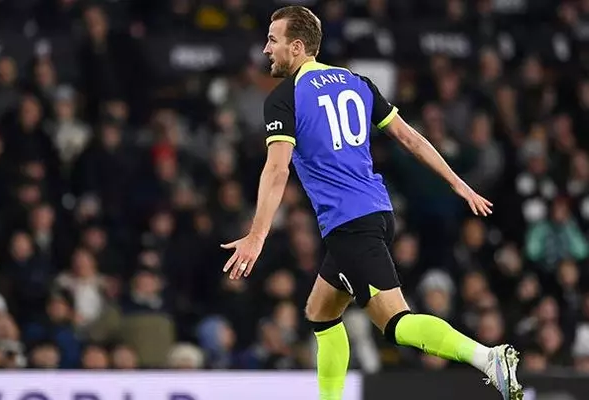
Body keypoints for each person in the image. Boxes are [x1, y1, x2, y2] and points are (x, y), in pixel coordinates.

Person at [221, 5, 522, 400]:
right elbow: (410, 137)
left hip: (350, 225)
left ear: (296, 47)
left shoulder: (284, 98)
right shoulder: (356, 82)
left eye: (272, 40)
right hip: (375, 212)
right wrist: (457, 183)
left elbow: (277, 170)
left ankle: (487, 358)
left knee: (395, 323)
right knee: (321, 312)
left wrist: (257, 236)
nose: (265, 49)